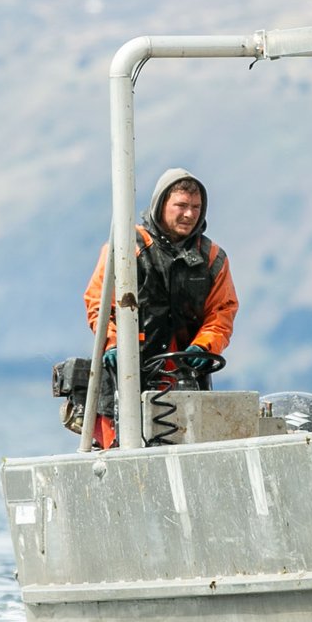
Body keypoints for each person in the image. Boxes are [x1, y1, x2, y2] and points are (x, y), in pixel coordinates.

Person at [82, 168, 237, 436]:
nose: (190, 214)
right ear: (161, 204)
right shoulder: (126, 246)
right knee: (116, 442)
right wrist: (112, 343)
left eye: (196, 207)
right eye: (182, 205)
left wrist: (203, 347)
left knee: (194, 444)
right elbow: (99, 302)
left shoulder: (212, 257)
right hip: (125, 375)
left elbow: (222, 312)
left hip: (187, 378)